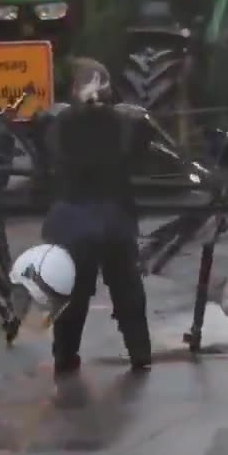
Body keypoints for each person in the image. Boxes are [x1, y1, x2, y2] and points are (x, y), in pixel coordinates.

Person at [40, 58, 154, 374]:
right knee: (126, 284)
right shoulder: (126, 123)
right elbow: (141, 154)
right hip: (115, 216)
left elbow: (46, 153)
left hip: (73, 219)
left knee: (72, 291)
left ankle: (65, 355)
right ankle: (140, 351)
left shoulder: (58, 122)